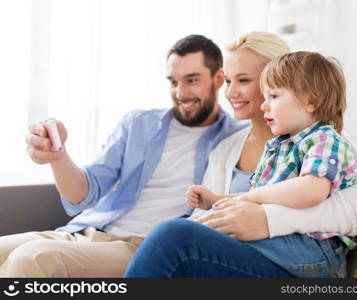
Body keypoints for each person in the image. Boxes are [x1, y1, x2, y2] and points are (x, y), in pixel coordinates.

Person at [124, 32, 357, 278]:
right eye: (228, 81)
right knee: (170, 234)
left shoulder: (324, 140)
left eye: (246, 81)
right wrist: (216, 202)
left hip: (300, 257)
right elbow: (216, 220)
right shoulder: (236, 148)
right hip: (252, 254)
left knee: (172, 237)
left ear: (304, 93)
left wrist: (265, 218)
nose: (232, 92)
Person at [0, 34, 247, 277]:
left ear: (218, 79)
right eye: (173, 82)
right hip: (88, 231)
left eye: (192, 80)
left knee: (33, 258)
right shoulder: (138, 123)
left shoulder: (237, 137)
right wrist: (58, 156)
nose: (180, 93)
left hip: (143, 246)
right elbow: (81, 195)